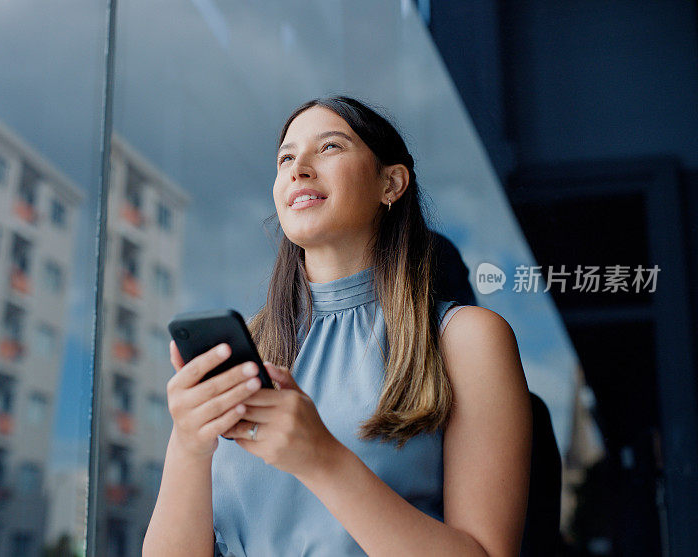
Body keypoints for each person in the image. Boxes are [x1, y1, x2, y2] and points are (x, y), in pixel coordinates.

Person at [143, 96, 532, 556]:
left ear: (391, 182)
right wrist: (188, 446)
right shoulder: (248, 351)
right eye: (286, 157)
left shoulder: (466, 339)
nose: (298, 169)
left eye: (329, 147)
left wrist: (322, 460)